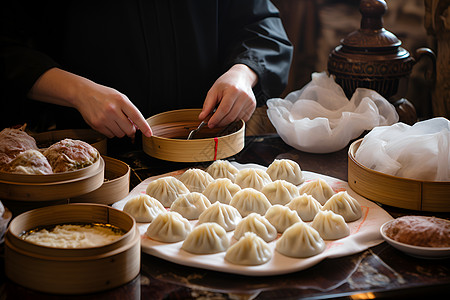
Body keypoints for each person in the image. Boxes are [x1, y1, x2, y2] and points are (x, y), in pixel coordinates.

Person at [0, 0, 293, 140]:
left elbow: (263, 27)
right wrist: (78, 93)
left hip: (208, 145)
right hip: (91, 154)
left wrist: (243, 72)